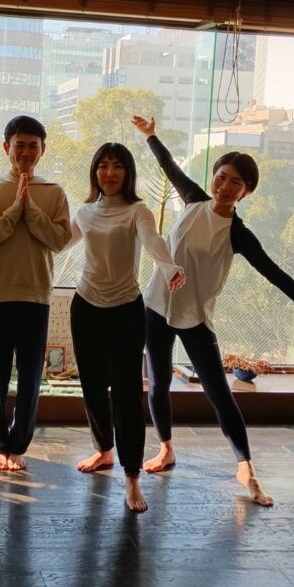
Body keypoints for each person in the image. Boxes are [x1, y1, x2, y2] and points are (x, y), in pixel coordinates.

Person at [132, 114, 294, 507]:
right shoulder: (193, 199)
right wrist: (151, 136)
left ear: (245, 191)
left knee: (219, 392)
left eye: (236, 182)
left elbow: (273, 271)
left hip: (196, 316)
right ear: (213, 177)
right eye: (222, 177)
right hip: (157, 307)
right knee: (159, 382)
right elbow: (168, 165)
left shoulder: (237, 233)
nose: (225, 186)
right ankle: (166, 449)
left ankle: (246, 466)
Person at [69, 142, 185, 513]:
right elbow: (55, 242)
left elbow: (153, 241)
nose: (110, 173)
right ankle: (104, 450)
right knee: (91, 388)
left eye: (117, 166)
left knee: (126, 394)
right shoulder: (85, 212)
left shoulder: (138, 211)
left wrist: (169, 267)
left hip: (125, 311)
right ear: (94, 171)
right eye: (103, 165)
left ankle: (132, 476)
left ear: (128, 172)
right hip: (85, 307)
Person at [0, 115, 71, 473]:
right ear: (6, 148)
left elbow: (59, 241)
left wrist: (31, 209)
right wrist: (15, 210)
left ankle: (19, 445)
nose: (26, 152)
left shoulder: (54, 192)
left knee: (31, 378)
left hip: (36, 295)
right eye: (19, 145)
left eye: (33, 146)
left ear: (43, 149)